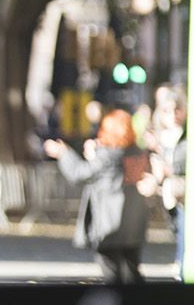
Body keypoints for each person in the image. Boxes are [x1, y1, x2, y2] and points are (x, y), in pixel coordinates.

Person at [44, 109, 151, 284]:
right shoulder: (137, 154)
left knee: (112, 274)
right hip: (133, 225)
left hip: (110, 226)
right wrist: (97, 152)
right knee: (131, 270)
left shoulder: (107, 157)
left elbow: (79, 173)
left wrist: (63, 153)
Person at [140, 84, 187, 278]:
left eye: (176, 110)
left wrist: (170, 169)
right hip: (170, 192)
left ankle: (183, 265)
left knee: (184, 230)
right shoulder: (163, 136)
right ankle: (180, 261)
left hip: (185, 191)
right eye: (167, 110)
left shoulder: (187, 134)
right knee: (177, 228)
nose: (172, 115)